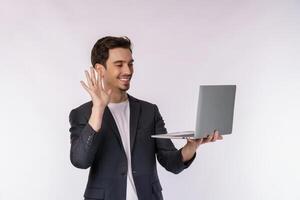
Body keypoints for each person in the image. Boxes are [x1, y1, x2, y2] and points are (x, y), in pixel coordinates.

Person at [68, 36, 223, 200]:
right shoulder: (83, 114)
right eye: (119, 64)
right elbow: (80, 161)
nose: (128, 71)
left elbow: (171, 163)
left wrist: (192, 147)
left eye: (130, 64)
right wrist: (98, 110)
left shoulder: (149, 111)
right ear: (100, 69)